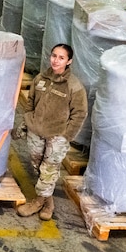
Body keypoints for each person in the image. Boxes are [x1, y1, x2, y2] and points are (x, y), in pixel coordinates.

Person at [14, 43, 88, 221]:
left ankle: (38, 202)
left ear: (69, 61)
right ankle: (49, 202)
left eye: (61, 58)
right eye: (54, 56)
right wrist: (29, 119)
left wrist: (66, 136)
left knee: (49, 169)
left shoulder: (73, 86)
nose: (56, 60)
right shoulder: (40, 79)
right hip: (36, 132)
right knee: (38, 167)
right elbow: (30, 101)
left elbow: (80, 114)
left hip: (57, 136)